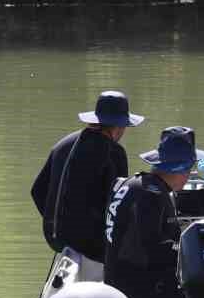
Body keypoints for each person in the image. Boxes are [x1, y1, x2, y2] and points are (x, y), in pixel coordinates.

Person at [31, 90, 142, 268]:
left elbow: (37, 191)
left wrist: (59, 221)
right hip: (89, 245)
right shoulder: (113, 152)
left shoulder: (64, 143)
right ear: (118, 127)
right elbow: (117, 205)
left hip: (54, 237)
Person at [103, 126, 200, 298]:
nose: (190, 175)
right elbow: (154, 249)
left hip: (114, 284)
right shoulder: (152, 194)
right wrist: (193, 250)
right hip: (137, 294)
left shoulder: (129, 184)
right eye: (190, 168)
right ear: (180, 169)